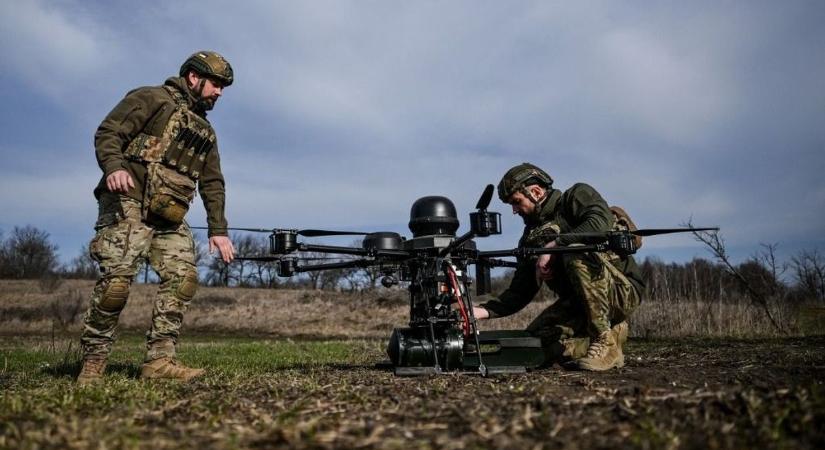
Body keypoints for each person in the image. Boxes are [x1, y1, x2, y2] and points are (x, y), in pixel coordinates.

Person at [77, 51, 236, 385]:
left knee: (184, 279)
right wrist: (115, 167)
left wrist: (218, 230)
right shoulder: (150, 97)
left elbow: (212, 182)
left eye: (223, 87)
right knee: (116, 284)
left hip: (169, 213)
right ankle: (93, 363)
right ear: (194, 77)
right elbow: (108, 133)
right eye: (216, 84)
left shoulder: (205, 131)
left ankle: (159, 363)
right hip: (128, 201)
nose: (219, 92)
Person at [472, 163, 644, 371]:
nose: (514, 211)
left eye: (516, 202)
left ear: (535, 192)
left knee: (574, 250)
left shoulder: (576, 196)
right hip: (578, 305)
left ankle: (604, 340)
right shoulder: (530, 238)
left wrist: (553, 247)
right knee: (534, 346)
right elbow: (520, 292)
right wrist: (482, 311)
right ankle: (610, 335)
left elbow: (600, 223)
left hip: (619, 292)